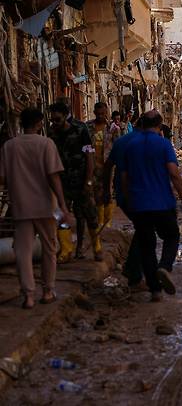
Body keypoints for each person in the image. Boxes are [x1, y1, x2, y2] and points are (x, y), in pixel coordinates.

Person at [0, 108, 73, 309]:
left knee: (23, 252)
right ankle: (48, 291)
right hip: (45, 207)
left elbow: (2, 178)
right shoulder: (46, 144)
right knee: (50, 249)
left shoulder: (9, 146)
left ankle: (29, 296)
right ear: (40, 123)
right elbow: (53, 176)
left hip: (21, 207)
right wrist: (63, 205)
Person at [119, 110, 182, 302]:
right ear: (159, 125)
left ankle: (155, 290)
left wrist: (129, 199)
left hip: (139, 205)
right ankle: (165, 266)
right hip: (162, 203)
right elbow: (174, 174)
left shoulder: (130, 145)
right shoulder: (163, 144)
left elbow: (124, 178)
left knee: (146, 245)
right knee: (171, 235)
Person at [49, 103, 102, 262]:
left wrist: (89, 181)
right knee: (61, 216)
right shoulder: (52, 133)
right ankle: (66, 249)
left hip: (81, 180)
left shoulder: (81, 130)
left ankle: (96, 247)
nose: (54, 123)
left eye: (57, 119)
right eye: (52, 120)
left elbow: (89, 155)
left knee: (89, 215)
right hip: (62, 182)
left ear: (66, 116)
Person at [104, 116, 143, 286]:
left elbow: (108, 166)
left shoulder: (121, 142)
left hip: (123, 195)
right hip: (140, 195)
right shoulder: (145, 143)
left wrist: (107, 190)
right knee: (145, 231)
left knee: (143, 230)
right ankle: (133, 271)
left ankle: (134, 271)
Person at [87, 102, 114, 231]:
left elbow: (117, 146)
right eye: (98, 114)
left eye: (103, 114)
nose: (101, 116)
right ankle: (99, 220)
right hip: (92, 165)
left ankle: (107, 222)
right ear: (94, 113)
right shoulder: (88, 127)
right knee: (95, 194)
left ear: (107, 113)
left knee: (108, 192)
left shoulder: (113, 128)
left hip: (107, 166)